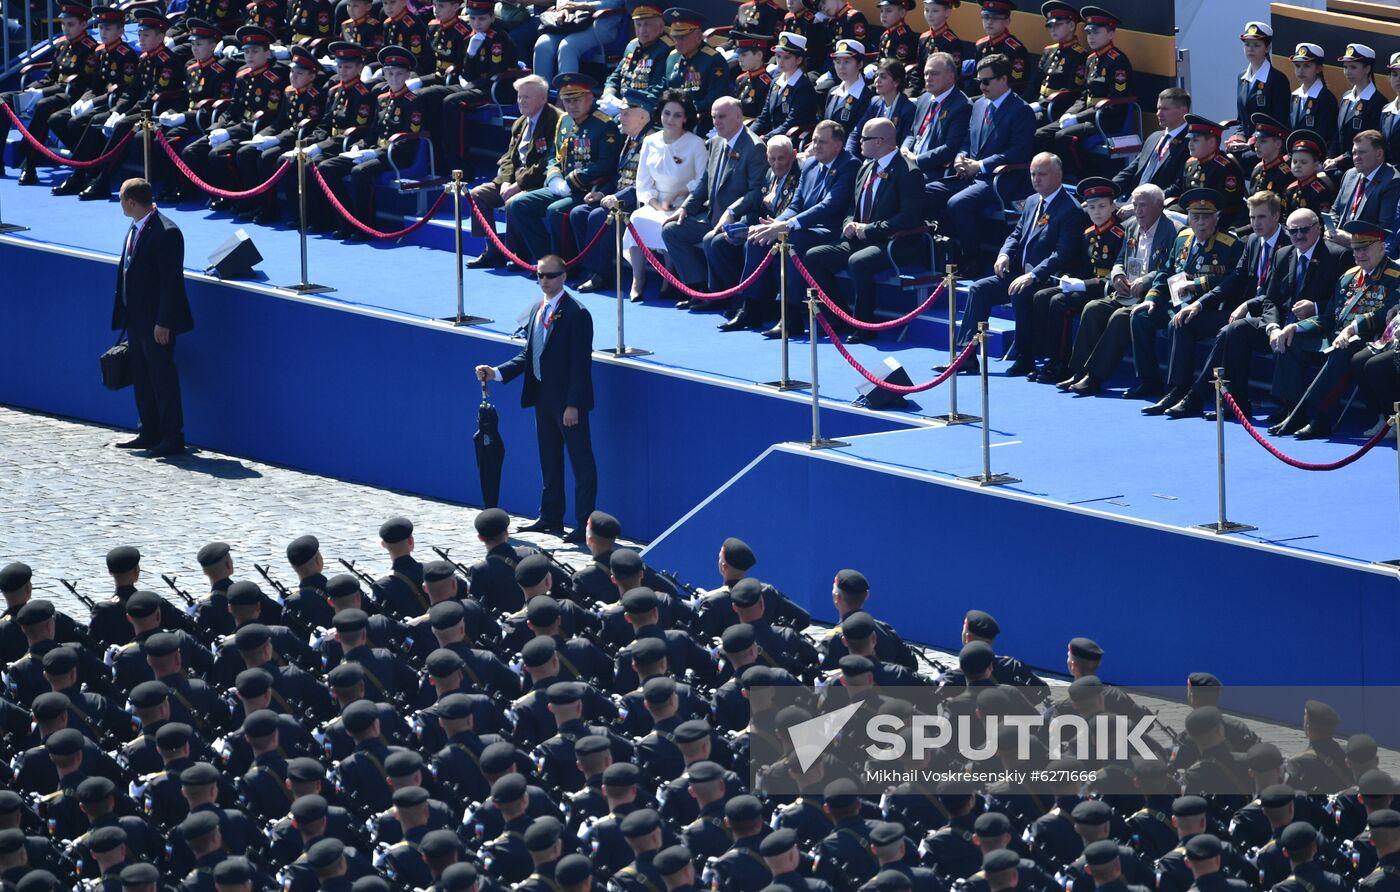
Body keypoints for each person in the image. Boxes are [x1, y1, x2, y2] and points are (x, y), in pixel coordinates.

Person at [1163, 211, 1342, 421]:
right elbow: (1272, 298)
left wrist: (1316, 307)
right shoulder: (1284, 254)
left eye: (1304, 229)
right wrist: (1272, 327)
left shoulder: (1337, 255)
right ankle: (1236, 403)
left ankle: (1290, 410)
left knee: (1288, 340)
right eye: (1293, 231)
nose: (1298, 235)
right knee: (1235, 330)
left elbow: (1341, 302)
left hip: (1313, 326)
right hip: (1280, 322)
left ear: (1318, 227)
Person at [475, 255, 597, 544]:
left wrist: (573, 404)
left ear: (564, 277)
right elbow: (529, 355)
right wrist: (497, 373)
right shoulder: (536, 310)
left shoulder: (577, 313)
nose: (544, 281)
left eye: (551, 276)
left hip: (566, 402)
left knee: (581, 462)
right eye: (540, 276)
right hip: (542, 398)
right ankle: (551, 516)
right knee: (549, 460)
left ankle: (584, 522)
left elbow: (581, 364)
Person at [1147, 190, 1281, 418]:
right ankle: (1177, 389)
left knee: (1228, 333)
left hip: (1272, 313)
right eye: (1251, 218)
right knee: (1185, 320)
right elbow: (1234, 279)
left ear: (1276, 216)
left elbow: (1278, 293)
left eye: (1261, 217)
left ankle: (1196, 396)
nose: (1255, 223)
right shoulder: (1252, 241)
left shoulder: (1286, 244)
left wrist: (1248, 304)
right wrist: (1198, 304)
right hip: (1245, 312)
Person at [1270, 220, 1400, 440]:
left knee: (1343, 351)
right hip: (1336, 334)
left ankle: (1321, 419)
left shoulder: (1395, 276)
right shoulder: (1349, 276)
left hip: (1369, 340)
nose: (1359, 255)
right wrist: (1297, 326)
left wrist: (1351, 328)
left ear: (1381, 246)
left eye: (1365, 248)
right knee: (1290, 341)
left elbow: (1384, 314)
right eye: (1356, 249)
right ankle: (1295, 411)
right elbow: (1330, 316)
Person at [955, 152, 1085, 369]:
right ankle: (967, 355)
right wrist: (1004, 254)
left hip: (1047, 278)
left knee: (1021, 291)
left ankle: (1025, 357)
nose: (1036, 179)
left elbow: (1062, 254)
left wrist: (1033, 276)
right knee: (979, 290)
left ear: (1058, 175)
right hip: (1019, 272)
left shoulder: (1070, 209)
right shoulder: (1033, 201)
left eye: (1042, 174)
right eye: (1033, 174)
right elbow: (1016, 234)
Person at [800, 115, 925, 342]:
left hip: (893, 242)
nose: (859, 142)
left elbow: (910, 217)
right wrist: (848, 223)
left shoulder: (908, 171)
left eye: (865, 138)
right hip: (863, 237)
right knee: (813, 256)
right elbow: (852, 206)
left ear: (879, 141)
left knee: (858, 261)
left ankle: (864, 325)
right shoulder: (866, 168)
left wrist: (870, 229)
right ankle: (839, 316)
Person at [735, 118, 859, 335]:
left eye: (822, 142)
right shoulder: (810, 164)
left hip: (829, 229)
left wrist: (786, 225)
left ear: (838, 145)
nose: (815, 146)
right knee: (758, 238)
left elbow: (830, 205)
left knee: (791, 242)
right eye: (814, 140)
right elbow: (797, 203)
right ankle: (750, 307)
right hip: (802, 226)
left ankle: (790, 316)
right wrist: (778, 223)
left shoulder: (849, 165)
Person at [1060, 184, 1177, 395]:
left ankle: (1095, 377)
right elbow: (1120, 258)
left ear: (1160, 206)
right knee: (1093, 308)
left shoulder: (1173, 231)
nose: (1138, 210)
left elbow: (1169, 268)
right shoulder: (1130, 225)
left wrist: (1146, 281)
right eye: (1134, 205)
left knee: (1121, 317)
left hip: (1152, 297)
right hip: (1125, 290)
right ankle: (1079, 371)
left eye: (1143, 205)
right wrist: (1117, 275)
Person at [926, 52, 1036, 273]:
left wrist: (981, 165)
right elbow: (967, 139)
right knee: (926, 192)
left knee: (958, 203)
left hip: (1000, 179)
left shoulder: (1021, 110)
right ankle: (942, 249)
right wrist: (960, 158)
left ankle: (972, 259)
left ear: (1003, 79)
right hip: (971, 174)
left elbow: (1019, 152)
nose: (981, 86)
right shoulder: (978, 105)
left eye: (986, 81)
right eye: (978, 81)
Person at [111, 179, 193, 457]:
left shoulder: (166, 232)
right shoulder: (136, 227)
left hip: (156, 322)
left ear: (131, 202)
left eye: (122, 200)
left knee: (162, 378)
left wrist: (164, 322)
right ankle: (149, 430)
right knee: (142, 377)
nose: (120, 205)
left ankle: (172, 436)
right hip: (135, 318)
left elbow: (171, 283)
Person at [313, 45, 427, 241]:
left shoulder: (414, 101)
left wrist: (375, 154)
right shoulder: (382, 99)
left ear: (408, 75)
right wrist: (360, 146)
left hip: (397, 155)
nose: (393, 79)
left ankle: (365, 226)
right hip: (376, 150)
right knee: (326, 166)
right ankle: (346, 221)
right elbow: (373, 132)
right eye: (389, 74)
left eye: (398, 74)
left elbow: (407, 143)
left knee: (360, 171)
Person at [660, 96, 767, 303]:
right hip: (712, 215)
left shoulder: (754, 147)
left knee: (712, 240)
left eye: (722, 117)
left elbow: (756, 192)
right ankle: (697, 288)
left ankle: (718, 295)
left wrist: (732, 212)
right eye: (713, 117)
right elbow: (705, 183)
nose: (716, 122)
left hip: (737, 220)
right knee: (671, 230)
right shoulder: (716, 142)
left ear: (738, 117)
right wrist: (685, 208)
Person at [506, 72, 622, 262]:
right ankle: (547, 260)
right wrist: (554, 177)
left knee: (555, 211)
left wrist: (570, 181)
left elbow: (606, 164)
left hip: (587, 189)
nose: (572, 105)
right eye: (567, 101)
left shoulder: (604, 125)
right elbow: (554, 155)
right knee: (520, 205)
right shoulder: (565, 121)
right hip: (561, 186)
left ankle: (568, 264)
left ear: (590, 97)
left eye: (577, 100)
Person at [1031, 177, 1123, 385]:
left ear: (1113, 206)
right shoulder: (1088, 233)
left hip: (1106, 289)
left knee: (1060, 303)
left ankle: (1062, 363)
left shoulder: (1120, 233)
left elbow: (1115, 273)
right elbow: (1081, 264)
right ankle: (1045, 357)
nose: (1097, 212)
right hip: (1086, 283)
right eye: (1092, 207)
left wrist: (1081, 284)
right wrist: (1067, 276)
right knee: (1042, 296)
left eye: (1102, 206)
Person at [0, 1, 98, 187]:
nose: (66, 29)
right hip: (54, 90)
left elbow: (80, 84)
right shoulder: (63, 45)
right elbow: (52, 76)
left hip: (73, 96)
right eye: (63, 24)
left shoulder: (90, 48)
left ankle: (30, 164)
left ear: (84, 24)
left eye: (71, 24)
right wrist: (32, 89)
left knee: (43, 106)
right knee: (4, 100)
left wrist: (41, 92)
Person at [467, 75, 559, 268]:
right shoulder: (520, 122)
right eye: (519, 97)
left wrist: (519, 185)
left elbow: (547, 161)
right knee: (477, 195)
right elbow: (509, 157)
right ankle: (492, 249)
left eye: (526, 97)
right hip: (515, 179)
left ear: (542, 99)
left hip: (539, 182)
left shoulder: (556, 121)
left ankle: (519, 254)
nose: (521, 101)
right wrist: (506, 181)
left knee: (513, 203)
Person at [572, 90, 657, 295]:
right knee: (578, 213)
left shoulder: (653, 141)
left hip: (639, 203)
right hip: (616, 199)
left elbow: (651, 183)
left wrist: (618, 197)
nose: (621, 118)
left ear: (643, 115)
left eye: (627, 113)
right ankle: (590, 268)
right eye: (621, 113)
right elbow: (618, 176)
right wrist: (601, 194)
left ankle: (603, 275)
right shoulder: (628, 139)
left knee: (598, 216)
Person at [624, 90, 707, 301]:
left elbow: (702, 180)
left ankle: (669, 278)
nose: (670, 119)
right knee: (636, 219)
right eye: (667, 113)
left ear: (686, 118)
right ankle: (638, 279)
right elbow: (642, 181)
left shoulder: (696, 143)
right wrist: (653, 201)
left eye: (677, 115)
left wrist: (679, 194)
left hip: (683, 202)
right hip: (654, 201)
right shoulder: (650, 141)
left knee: (668, 225)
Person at [46, 5, 136, 197]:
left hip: (115, 102)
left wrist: (94, 103)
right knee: (58, 119)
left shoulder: (126, 55)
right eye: (102, 28)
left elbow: (123, 89)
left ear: (120, 30)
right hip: (102, 99)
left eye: (109, 28)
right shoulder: (100, 51)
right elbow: (95, 85)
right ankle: (89, 165)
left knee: (81, 122)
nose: (103, 32)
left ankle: (80, 173)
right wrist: (85, 99)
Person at [1035, 6, 1130, 179]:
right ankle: (1056, 176)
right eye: (1088, 32)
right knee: (1042, 134)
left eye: (1096, 32)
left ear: (1110, 34)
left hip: (1106, 119)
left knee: (1062, 136)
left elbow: (1114, 104)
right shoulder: (1092, 59)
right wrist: (1070, 113)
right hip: (1088, 114)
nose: (1091, 37)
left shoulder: (1117, 61)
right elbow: (1084, 95)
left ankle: (1084, 177)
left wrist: (1078, 118)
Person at [708, 134, 800, 313]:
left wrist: (759, 228)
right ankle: (732, 298)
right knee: (718, 242)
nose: (777, 164)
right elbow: (757, 198)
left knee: (753, 243)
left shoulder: (800, 174)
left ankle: (752, 306)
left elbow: (795, 208)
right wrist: (737, 221)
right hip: (763, 224)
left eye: (781, 158)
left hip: (784, 228)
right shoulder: (769, 172)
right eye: (772, 159)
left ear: (793, 154)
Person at [153, 18, 237, 204]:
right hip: (189, 117)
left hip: (204, 119)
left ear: (213, 45)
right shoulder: (190, 67)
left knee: (179, 146)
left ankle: (201, 188)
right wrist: (173, 111)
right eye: (193, 44)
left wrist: (184, 116)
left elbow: (220, 104)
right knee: (159, 138)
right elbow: (185, 99)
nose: (195, 48)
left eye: (199, 44)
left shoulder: (219, 70)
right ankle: (176, 182)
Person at [435, 0, 520, 173]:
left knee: (452, 102)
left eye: (481, 19)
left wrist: (470, 83)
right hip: (473, 87)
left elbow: (495, 73)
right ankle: (438, 158)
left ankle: (458, 163)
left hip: (496, 90)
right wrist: (471, 53)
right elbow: (465, 71)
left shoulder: (499, 39)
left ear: (491, 18)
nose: (476, 23)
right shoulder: (469, 37)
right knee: (430, 95)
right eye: (472, 19)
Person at [1222, 22, 1289, 163]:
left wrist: (1251, 143)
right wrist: (1238, 137)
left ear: (1267, 48)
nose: (1250, 49)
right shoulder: (1242, 77)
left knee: (1236, 160)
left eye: (1256, 45)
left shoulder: (1277, 79)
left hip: (1269, 146)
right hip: (1248, 144)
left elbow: (1279, 122)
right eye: (1247, 45)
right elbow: (1242, 119)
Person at [1112, 88, 1191, 207]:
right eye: (1158, 108)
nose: (1158, 113)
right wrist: (1106, 191)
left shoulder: (1190, 143)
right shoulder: (1154, 137)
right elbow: (1130, 171)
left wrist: (1141, 204)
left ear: (1183, 110)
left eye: (1165, 109)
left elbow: (1177, 188)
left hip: (1154, 208)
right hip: (1129, 202)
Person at [901, 51, 970, 182]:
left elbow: (951, 148)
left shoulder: (962, 105)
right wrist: (904, 149)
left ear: (951, 77)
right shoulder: (924, 98)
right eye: (926, 73)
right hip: (910, 161)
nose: (928, 78)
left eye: (934, 73)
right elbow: (912, 132)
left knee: (903, 183)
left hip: (933, 169)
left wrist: (917, 160)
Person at [658, 8, 730, 131]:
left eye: (682, 38)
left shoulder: (713, 60)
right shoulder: (672, 57)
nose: (677, 43)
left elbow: (715, 97)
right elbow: (664, 87)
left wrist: (685, 108)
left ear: (698, 36)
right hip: (670, 118)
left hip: (699, 120)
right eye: (675, 37)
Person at [1171, 114, 1246, 230]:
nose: (1190, 144)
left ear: (1211, 142)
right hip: (1191, 215)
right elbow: (1181, 194)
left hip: (1214, 222)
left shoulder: (1225, 167)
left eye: (1195, 140)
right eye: (1189, 139)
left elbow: (1229, 207)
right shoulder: (1190, 164)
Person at [532, 0, 626, 85]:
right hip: (571, 22)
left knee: (567, 46)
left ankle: (566, 98)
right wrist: (562, 7)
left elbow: (615, 3)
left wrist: (581, 5)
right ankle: (539, 96)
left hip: (598, 25)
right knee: (542, 45)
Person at [1325, 44, 1381, 176]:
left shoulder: (1377, 102)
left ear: (1367, 68)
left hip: (1361, 168)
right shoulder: (1346, 97)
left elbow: (1371, 143)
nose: (1347, 72)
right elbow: (1336, 134)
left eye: (1353, 67)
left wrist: (1338, 160)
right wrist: (1329, 157)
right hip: (1339, 165)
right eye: (1345, 67)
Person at [750, 32, 817, 140]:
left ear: (799, 60)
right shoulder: (775, 82)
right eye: (778, 56)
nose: (780, 61)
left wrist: (766, 138)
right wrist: (747, 133)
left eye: (786, 57)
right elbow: (764, 117)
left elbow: (791, 122)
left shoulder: (803, 87)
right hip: (772, 136)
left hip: (790, 140)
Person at [601, 4, 671, 107]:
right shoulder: (632, 46)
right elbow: (616, 75)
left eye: (647, 25)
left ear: (661, 27)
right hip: (621, 104)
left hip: (645, 107)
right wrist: (609, 93)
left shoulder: (666, 49)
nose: (642, 30)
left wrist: (630, 103)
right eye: (638, 25)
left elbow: (658, 88)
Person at [1332, 130, 1400, 236]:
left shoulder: (1392, 182)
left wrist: (1350, 239)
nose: (1356, 157)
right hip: (1337, 240)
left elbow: (1385, 229)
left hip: (1364, 248)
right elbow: (1334, 211)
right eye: (1354, 153)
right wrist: (1331, 229)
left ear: (1379, 154)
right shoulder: (1350, 174)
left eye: (1362, 152)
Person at [1031, 1, 1086, 126]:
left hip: (1056, 108)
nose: (1052, 29)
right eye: (1050, 26)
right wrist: (1021, 102)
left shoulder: (1079, 55)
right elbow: (1034, 83)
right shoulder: (1049, 50)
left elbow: (1072, 91)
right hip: (1039, 104)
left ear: (1072, 25)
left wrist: (1040, 105)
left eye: (1057, 25)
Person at [972, 0, 1029, 97]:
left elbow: (1017, 84)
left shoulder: (1016, 50)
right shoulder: (980, 45)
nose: (989, 22)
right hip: (981, 97)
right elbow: (975, 79)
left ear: (1007, 22)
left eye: (995, 18)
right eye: (986, 17)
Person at [1288, 43, 1338, 154]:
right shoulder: (1295, 96)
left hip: (1315, 157)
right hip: (1294, 155)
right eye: (1297, 66)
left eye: (1307, 66)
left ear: (1319, 68)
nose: (1300, 70)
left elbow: (1325, 137)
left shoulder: (1326, 98)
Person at [822, 39, 873, 142]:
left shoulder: (866, 96)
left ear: (859, 64)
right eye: (837, 62)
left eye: (847, 62)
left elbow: (856, 136)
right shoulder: (833, 92)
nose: (841, 67)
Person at [859, 59, 914, 153]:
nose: (877, 80)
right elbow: (858, 130)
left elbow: (908, 135)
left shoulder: (908, 107)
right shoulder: (874, 102)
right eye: (876, 76)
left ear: (896, 82)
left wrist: (904, 151)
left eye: (883, 77)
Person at [913, 0, 961, 98]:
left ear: (947, 12)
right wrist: (912, 91)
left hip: (941, 93)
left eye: (935, 11)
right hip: (923, 90)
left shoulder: (952, 42)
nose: (930, 15)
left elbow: (952, 76)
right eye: (926, 10)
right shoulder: (924, 38)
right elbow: (918, 70)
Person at [1284, 129, 1335, 215]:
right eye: (1294, 162)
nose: (1298, 165)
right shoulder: (1291, 189)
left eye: (1303, 162)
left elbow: (1323, 220)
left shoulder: (1320, 191)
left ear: (1316, 165)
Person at [732, 32, 774, 121]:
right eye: (739, 55)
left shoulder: (767, 83)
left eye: (744, 55)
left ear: (759, 55)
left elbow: (763, 118)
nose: (739, 59)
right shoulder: (740, 79)